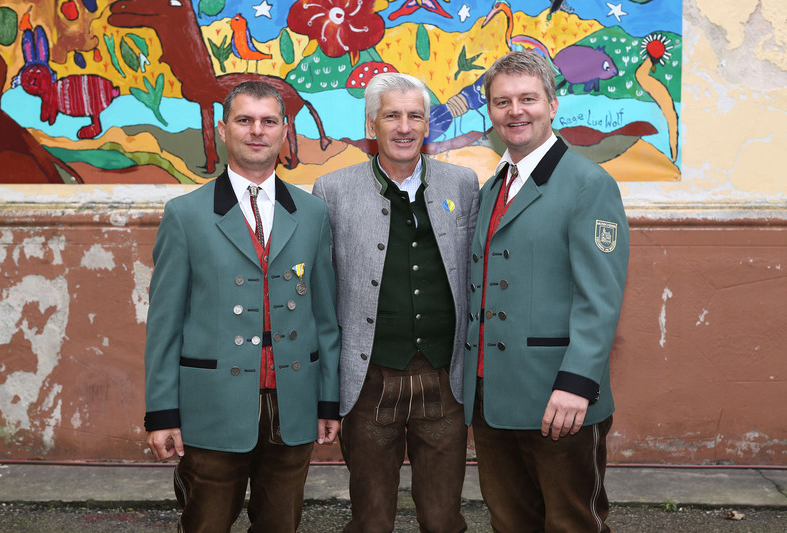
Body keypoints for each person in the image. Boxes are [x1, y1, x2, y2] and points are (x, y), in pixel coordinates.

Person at [143, 81, 340, 533]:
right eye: (244, 120)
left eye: (269, 121)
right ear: (222, 129)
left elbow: (325, 319)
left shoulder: (312, 213)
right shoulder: (185, 214)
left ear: (285, 131)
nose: (257, 131)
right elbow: (164, 325)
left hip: (292, 405)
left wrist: (327, 401)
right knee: (206, 523)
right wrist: (162, 413)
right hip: (211, 405)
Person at [463, 51, 630, 532]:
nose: (515, 111)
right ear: (491, 113)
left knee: (572, 522)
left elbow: (601, 297)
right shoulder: (494, 187)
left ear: (553, 105)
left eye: (528, 99)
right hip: (493, 397)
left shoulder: (588, 184)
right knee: (510, 520)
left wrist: (577, 383)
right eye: (502, 102)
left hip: (559, 397)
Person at [312, 73, 479, 533]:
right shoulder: (332, 190)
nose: (404, 127)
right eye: (392, 116)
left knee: (443, 518)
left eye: (415, 116)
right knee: (370, 518)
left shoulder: (463, 184)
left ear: (427, 125)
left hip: (444, 378)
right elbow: (321, 294)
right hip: (369, 380)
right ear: (372, 125)